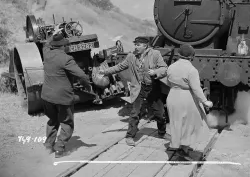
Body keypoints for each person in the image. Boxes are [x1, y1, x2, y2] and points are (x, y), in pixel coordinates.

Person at [99, 36, 168, 146]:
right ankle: (130, 136)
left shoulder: (155, 54)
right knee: (135, 113)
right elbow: (120, 66)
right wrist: (105, 72)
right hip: (138, 88)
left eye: (138, 45)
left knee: (159, 113)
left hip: (153, 88)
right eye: (135, 44)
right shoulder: (131, 56)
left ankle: (162, 132)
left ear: (145, 46)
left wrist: (155, 72)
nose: (135, 46)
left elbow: (164, 68)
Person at [41, 25, 91, 158]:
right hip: (62, 98)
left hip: (46, 96)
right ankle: (59, 148)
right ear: (63, 46)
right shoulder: (67, 59)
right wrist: (87, 86)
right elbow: (81, 75)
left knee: (52, 120)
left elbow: (46, 44)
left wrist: (54, 33)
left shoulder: (46, 54)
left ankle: (48, 146)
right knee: (67, 122)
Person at [166, 44, 213, 160]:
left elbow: (168, 83)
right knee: (189, 123)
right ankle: (184, 150)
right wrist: (205, 101)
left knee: (176, 122)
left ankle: (177, 145)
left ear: (178, 54)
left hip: (172, 96)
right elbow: (196, 88)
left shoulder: (171, 67)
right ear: (192, 56)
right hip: (186, 98)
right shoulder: (192, 70)